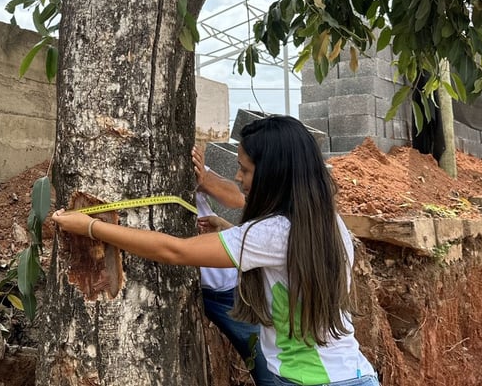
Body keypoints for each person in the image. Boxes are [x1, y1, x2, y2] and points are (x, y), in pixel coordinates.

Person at [52, 116, 379, 386]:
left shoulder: (271, 233)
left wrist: (91, 227)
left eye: (245, 170)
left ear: (273, 174)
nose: (238, 176)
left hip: (308, 378)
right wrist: (229, 229)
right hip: (352, 372)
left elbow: (175, 251)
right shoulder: (326, 222)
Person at [192, 146, 274, 386]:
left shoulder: (187, 160)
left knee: (268, 365)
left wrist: (202, 178)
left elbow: (236, 198)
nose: (239, 175)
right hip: (199, 287)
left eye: (244, 170)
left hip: (226, 287)